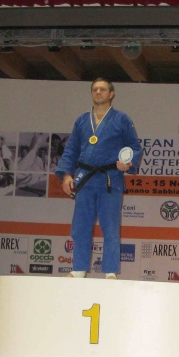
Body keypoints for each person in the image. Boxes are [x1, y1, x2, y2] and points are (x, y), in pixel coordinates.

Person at [55, 78, 141, 278]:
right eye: (95, 89)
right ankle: (78, 269)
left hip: (110, 178)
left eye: (103, 89)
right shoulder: (82, 120)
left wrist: (127, 163)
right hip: (85, 178)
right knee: (80, 226)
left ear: (111, 94)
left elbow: (134, 147)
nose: (98, 92)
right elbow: (71, 149)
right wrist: (66, 175)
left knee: (110, 227)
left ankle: (110, 271)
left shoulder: (122, 119)